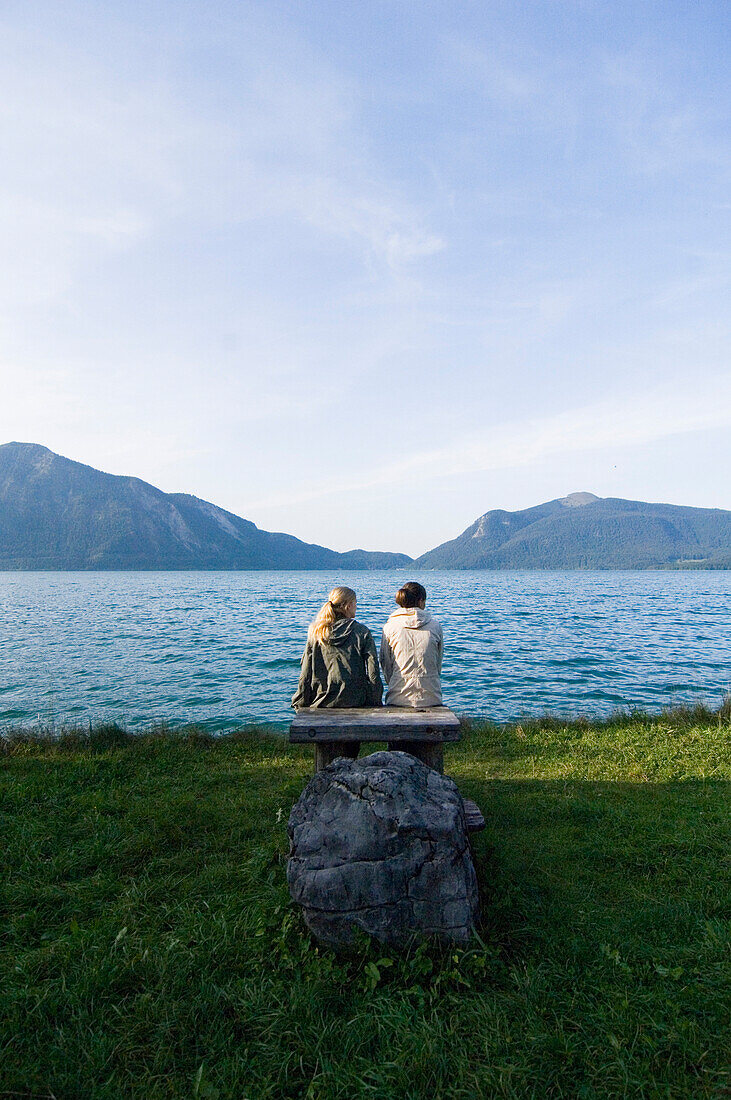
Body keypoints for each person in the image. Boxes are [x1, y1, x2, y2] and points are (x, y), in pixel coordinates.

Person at [291, 586, 383, 713]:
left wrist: (302, 700)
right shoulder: (362, 632)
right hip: (355, 700)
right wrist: (375, 700)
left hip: (322, 699)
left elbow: (306, 671)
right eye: (355, 603)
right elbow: (373, 670)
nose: (356, 606)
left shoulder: (317, 632)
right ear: (348, 606)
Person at [380, 581, 443, 707]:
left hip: (397, 697)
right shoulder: (435, 627)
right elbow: (437, 665)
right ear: (420, 601)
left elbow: (386, 664)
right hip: (431, 697)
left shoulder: (389, 627)